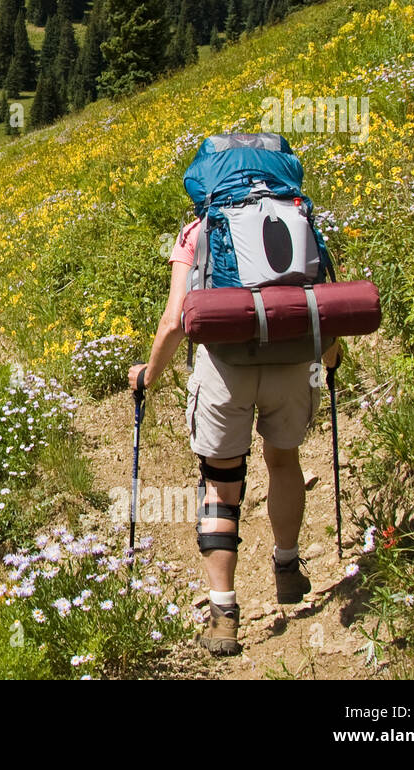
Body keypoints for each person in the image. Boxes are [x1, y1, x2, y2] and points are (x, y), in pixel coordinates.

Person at [128, 217, 341, 656]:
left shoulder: (198, 229)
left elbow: (174, 321)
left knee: (220, 484)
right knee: (284, 462)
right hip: (293, 360)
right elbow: (323, 307)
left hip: (225, 368)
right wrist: (331, 358)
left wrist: (148, 375)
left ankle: (224, 614)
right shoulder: (297, 213)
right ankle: (287, 567)